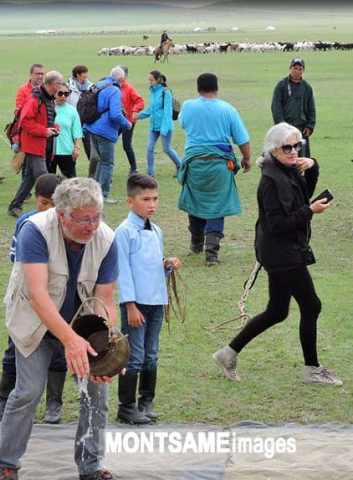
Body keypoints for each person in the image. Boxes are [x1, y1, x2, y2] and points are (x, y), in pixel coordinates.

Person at [0, 177, 120, 480]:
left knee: (97, 391)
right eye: (84, 219)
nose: (92, 226)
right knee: (28, 391)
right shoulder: (34, 230)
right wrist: (69, 340)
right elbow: (37, 295)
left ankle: (91, 466)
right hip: (34, 322)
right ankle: (6, 466)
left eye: (97, 217)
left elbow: (104, 300)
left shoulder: (107, 238)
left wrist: (107, 349)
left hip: (83, 326)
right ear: (62, 214)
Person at [212, 123, 342, 386]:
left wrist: (312, 165)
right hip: (282, 253)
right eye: (288, 147)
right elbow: (278, 224)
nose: (294, 151)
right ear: (274, 150)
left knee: (277, 310)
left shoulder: (286, 169)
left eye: (297, 146)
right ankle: (312, 370)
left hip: (282, 251)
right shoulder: (271, 181)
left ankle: (227, 354)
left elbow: (303, 195)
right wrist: (310, 211)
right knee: (311, 305)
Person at [0, 174, 65, 424]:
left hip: (58, 297)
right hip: (26, 296)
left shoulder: (67, 224)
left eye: (54, 205)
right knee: (16, 347)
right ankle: (3, 398)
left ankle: (54, 403)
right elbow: (18, 263)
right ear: (35, 200)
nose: (48, 210)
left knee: (59, 350)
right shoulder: (26, 224)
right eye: (44, 203)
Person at [114, 174, 181, 425]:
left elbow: (149, 266)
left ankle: (146, 401)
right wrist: (130, 305)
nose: (151, 204)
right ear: (130, 201)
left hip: (155, 301)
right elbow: (124, 270)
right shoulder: (124, 232)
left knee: (151, 353)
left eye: (155, 199)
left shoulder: (156, 231)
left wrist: (167, 266)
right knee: (134, 354)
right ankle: (126, 406)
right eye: (145, 199)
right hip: (137, 304)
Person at [177, 73, 251, 265]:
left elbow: (184, 124)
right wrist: (247, 159)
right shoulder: (228, 109)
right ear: (216, 88)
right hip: (219, 165)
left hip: (194, 164)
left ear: (198, 89)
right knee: (217, 206)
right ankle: (211, 253)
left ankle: (196, 241)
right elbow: (242, 139)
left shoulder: (188, 106)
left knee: (195, 200)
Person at [6, 71, 63, 218]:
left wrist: (54, 128)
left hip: (40, 144)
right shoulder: (34, 99)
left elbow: (46, 119)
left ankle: (15, 206)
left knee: (30, 178)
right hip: (33, 145)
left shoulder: (47, 99)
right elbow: (25, 122)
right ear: (54, 84)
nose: (62, 86)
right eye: (61, 83)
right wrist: (45, 131)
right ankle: (55, 207)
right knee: (44, 177)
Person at [83, 66, 132, 204]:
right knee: (108, 162)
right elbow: (115, 114)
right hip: (105, 131)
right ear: (121, 79)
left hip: (92, 127)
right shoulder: (115, 90)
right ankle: (102, 195)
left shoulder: (100, 84)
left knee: (101, 161)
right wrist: (127, 123)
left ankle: (95, 192)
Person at [136, 70, 181, 177]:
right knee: (149, 148)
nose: (149, 82)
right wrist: (139, 115)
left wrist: (164, 129)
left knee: (167, 149)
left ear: (158, 80)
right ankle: (150, 172)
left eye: (151, 80)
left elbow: (167, 112)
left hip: (165, 127)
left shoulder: (166, 92)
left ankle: (180, 166)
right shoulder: (154, 92)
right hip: (153, 127)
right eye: (149, 80)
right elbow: (150, 110)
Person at [271, 57, 316, 158]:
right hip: (285, 129)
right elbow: (276, 107)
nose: (297, 71)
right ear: (290, 68)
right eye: (295, 68)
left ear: (303, 70)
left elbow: (311, 108)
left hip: (301, 129)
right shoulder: (281, 85)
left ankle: (300, 174)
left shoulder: (306, 87)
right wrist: (282, 126)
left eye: (300, 69)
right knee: (284, 155)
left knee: (301, 158)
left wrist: (310, 126)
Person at [50, 84, 83, 178]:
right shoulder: (49, 107)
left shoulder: (72, 111)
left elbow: (77, 132)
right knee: (48, 181)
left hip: (67, 151)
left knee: (71, 180)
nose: (63, 96)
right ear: (55, 94)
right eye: (60, 93)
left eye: (66, 94)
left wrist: (77, 148)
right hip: (50, 151)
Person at [117, 65, 145, 175]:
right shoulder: (114, 87)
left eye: (121, 74)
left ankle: (134, 168)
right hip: (117, 120)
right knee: (109, 142)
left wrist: (135, 110)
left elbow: (140, 101)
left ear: (125, 76)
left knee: (126, 145)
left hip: (128, 121)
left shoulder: (129, 88)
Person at [66, 65, 93, 164]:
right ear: (77, 74)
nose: (86, 75)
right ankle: (69, 174)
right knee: (72, 150)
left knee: (91, 150)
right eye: (84, 73)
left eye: (86, 73)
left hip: (86, 123)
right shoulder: (68, 87)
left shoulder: (90, 87)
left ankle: (95, 174)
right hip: (73, 124)